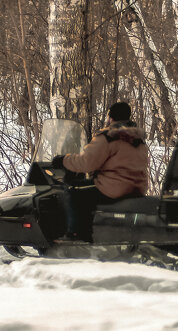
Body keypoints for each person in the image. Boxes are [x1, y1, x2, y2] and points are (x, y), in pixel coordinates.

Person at [52, 101, 149, 240]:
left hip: (114, 189)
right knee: (88, 189)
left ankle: (77, 235)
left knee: (74, 190)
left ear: (111, 118)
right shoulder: (139, 139)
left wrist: (63, 160)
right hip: (137, 188)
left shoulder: (109, 137)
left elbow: (86, 163)